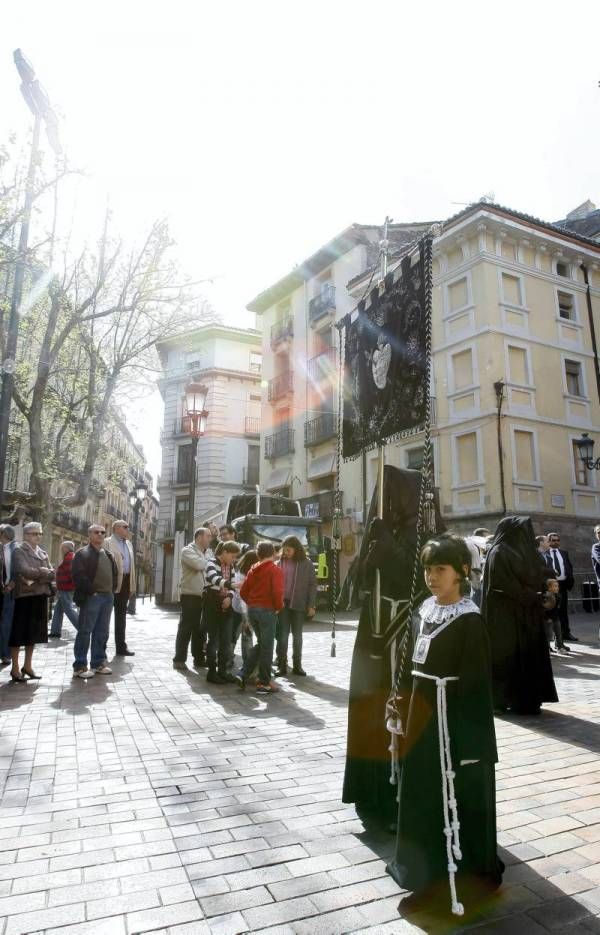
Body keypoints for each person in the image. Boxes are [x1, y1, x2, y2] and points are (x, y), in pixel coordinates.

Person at [388, 534, 503, 918]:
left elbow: (476, 688)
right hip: (421, 722)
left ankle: (459, 874)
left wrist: (470, 746)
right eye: (427, 569)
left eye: (440, 569)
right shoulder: (423, 610)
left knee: (452, 798)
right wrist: (398, 705)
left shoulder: (469, 620)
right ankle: (421, 872)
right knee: (420, 793)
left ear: (462, 572)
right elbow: (407, 664)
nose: (431, 577)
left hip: (450, 726)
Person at [343, 466, 444, 827]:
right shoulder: (380, 532)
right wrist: (380, 545)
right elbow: (365, 581)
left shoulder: (424, 536)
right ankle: (382, 794)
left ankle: (410, 794)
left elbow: (421, 578)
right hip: (380, 641)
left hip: (412, 640)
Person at [481, 516, 558, 715]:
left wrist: (545, 585)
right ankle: (503, 701)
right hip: (506, 617)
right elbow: (504, 584)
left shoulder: (521, 552)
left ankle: (528, 700)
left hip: (526, 614)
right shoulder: (498, 552)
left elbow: (533, 573)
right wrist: (534, 596)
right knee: (508, 660)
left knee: (527, 657)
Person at [9, 522, 55, 682]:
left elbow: (52, 574)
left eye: (40, 533)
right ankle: (15, 668)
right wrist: (43, 573)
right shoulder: (19, 551)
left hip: (40, 595)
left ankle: (28, 666)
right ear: (27, 535)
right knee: (19, 633)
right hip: (25, 597)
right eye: (35, 533)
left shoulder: (43, 553)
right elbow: (24, 570)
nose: (38, 536)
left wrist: (39, 575)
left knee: (33, 634)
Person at [71, 525, 118, 678]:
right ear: (89, 534)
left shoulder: (109, 554)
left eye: (102, 532)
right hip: (92, 597)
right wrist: (92, 591)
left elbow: (115, 573)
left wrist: (112, 590)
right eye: (96, 532)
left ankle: (98, 663)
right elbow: (78, 576)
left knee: (102, 632)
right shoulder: (82, 553)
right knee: (85, 631)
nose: (100, 535)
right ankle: (80, 666)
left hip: (107, 597)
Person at [237, 541, 284, 694]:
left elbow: (243, 591)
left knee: (262, 644)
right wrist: (278, 607)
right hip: (267, 611)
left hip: (252, 610)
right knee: (267, 647)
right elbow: (277, 593)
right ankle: (263, 683)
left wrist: (252, 603)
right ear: (272, 553)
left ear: (258, 554)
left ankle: (243, 673)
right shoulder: (274, 570)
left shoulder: (252, 569)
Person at [276, 535, 317, 676]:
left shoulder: (307, 563)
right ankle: (281, 665)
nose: (286, 553)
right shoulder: (279, 562)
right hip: (282, 604)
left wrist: (312, 605)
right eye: (284, 550)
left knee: (297, 636)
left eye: (288, 550)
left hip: (299, 604)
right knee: (282, 636)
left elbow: (312, 585)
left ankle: (297, 665)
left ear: (296, 549)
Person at [173, 526, 212, 671]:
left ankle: (199, 659)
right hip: (190, 595)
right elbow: (199, 564)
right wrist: (209, 561)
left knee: (201, 630)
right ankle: (179, 659)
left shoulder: (208, 552)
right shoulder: (187, 550)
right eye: (208, 536)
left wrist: (207, 560)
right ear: (199, 537)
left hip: (205, 596)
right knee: (186, 628)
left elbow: (208, 565)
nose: (210, 539)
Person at [203, 540, 241, 683]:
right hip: (212, 604)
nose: (234, 560)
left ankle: (223, 671)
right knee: (213, 640)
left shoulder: (230, 566)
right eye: (233, 556)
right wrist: (230, 585)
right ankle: (212, 673)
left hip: (226, 604)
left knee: (226, 641)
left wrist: (230, 598)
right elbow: (214, 579)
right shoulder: (211, 562)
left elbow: (231, 588)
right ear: (225, 552)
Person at [104, 520, 136, 656]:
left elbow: (132, 566)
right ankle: (101, 649)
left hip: (126, 582)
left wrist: (132, 586)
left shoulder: (129, 544)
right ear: (116, 528)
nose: (128, 529)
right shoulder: (107, 542)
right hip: (111, 583)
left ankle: (121, 647)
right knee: (105, 617)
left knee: (121, 616)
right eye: (125, 527)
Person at [536, 535, 568, 655]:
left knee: (555, 618)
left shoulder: (548, 555)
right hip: (542, 590)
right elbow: (537, 569)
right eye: (547, 540)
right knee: (545, 620)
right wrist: (551, 571)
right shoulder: (535, 554)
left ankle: (559, 644)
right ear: (540, 542)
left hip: (552, 590)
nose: (549, 542)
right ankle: (547, 646)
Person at [231, 549, 257, 669]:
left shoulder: (239, 573)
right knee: (245, 637)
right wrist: (246, 616)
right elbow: (242, 598)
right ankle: (247, 664)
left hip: (236, 609)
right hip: (242, 610)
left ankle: (228, 660)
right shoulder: (244, 576)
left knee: (234, 636)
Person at [49, 540, 79, 638]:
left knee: (68, 610)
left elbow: (71, 573)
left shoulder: (69, 557)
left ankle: (82, 628)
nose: (61, 550)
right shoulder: (70, 556)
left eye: (62, 548)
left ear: (66, 548)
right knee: (58, 609)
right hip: (64, 588)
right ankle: (55, 631)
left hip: (66, 588)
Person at [0, 524, 18, 665]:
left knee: (6, 623)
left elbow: (18, 570)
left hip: (9, 591)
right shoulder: (2, 548)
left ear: (3, 534)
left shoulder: (15, 549)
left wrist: (11, 584)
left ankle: (5, 654)